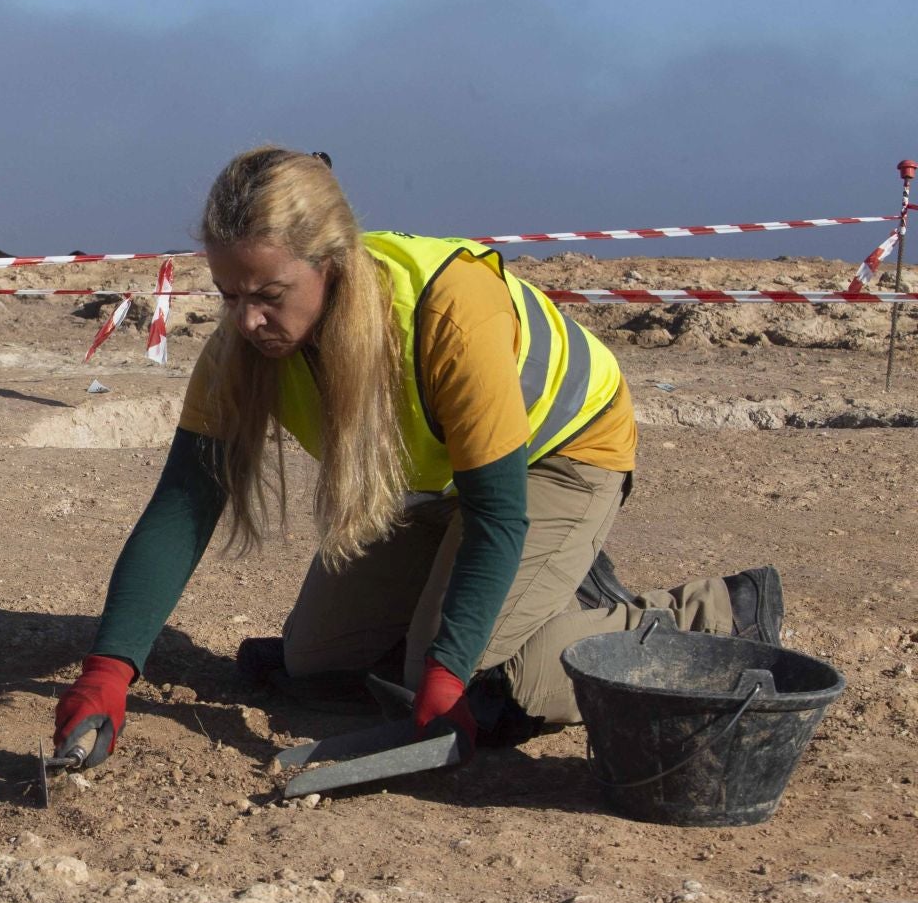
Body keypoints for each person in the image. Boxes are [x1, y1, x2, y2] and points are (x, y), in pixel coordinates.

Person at [53, 146, 785, 766]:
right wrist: (109, 670)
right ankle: (508, 596)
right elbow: (184, 504)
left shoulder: (446, 310)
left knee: (497, 680)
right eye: (229, 293)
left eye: (270, 294)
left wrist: (446, 671)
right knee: (317, 664)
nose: (247, 319)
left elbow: (499, 510)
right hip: (437, 483)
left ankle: (710, 614)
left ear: (332, 265)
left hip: (557, 459)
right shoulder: (243, 347)